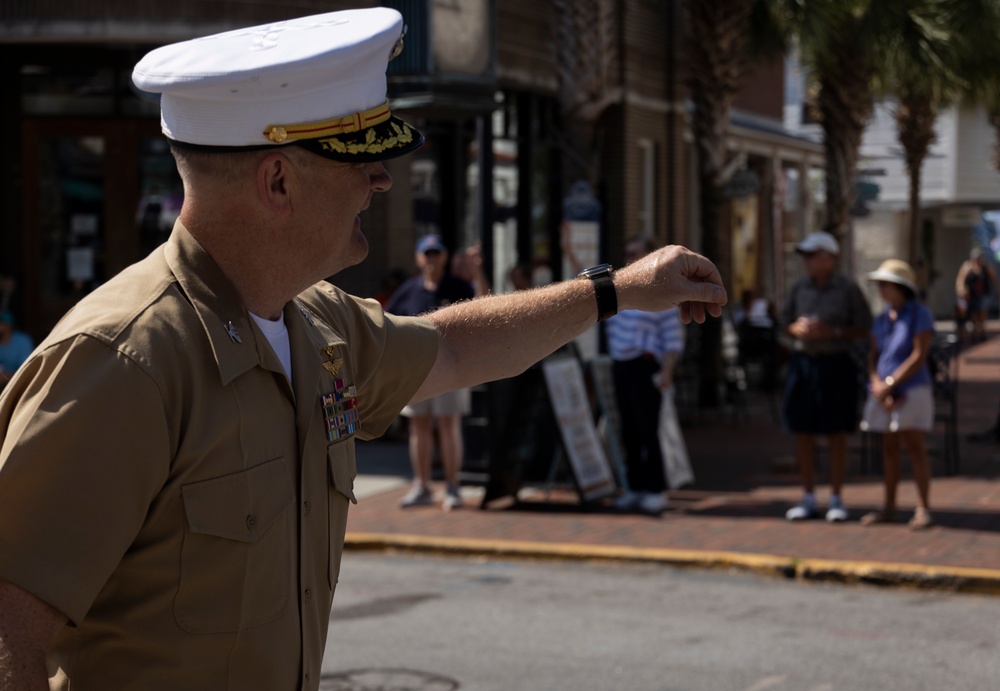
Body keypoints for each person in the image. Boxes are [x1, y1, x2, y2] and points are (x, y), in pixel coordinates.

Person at [0, 9, 727, 690]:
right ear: (277, 179)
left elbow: (452, 349)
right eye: (358, 158)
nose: (380, 179)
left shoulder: (317, 324)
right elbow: (10, 632)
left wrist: (618, 289)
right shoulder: (123, 362)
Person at [780, 231, 872, 522]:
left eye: (812, 255)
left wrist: (832, 332)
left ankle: (836, 497)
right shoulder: (798, 288)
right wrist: (795, 329)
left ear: (829, 258)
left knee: (836, 433)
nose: (806, 261)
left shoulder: (847, 289)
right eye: (805, 256)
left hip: (836, 363)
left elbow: (865, 325)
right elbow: (782, 322)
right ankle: (808, 497)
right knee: (803, 431)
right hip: (803, 363)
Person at [385, 234, 476, 511]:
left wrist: (478, 272)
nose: (432, 259)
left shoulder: (458, 286)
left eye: (436, 253)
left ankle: (452, 487)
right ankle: (422, 486)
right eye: (427, 253)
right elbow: (388, 320)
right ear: (418, 257)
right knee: (419, 426)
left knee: (448, 424)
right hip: (417, 367)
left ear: (444, 257)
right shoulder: (409, 290)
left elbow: (481, 310)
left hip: (451, 367)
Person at [604, 236, 686, 517]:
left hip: (645, 365)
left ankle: (655, 489)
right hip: (621, 364)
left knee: (648, 428)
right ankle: (635, 487)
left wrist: (667, 369)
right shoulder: (620, 288)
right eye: (626, 253)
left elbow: (672, 335)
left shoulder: (660, 292)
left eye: (634, 253)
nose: (628, 259)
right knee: (627, 429)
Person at [859, 260, 936, 529]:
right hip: (883, 392)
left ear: (900, 287)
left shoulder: (919, 314)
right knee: (889, 449)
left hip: (912, 388)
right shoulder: (881, 319)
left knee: (915, 447)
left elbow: (919, 354)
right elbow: (873, 356)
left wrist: (891, 383)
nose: (880, 289)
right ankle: (889, 507)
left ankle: (923, 508)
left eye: (885, 284)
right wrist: (878, 384)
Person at [954, 247, 997, 345]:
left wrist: (996, 291)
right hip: (971, 296)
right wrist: (961, 290)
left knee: (982, 313)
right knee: (973, 315)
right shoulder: (967, 267)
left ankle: (981, 332)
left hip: (983, 295)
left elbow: (993, 279)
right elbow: (960, 280)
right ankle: (975, 333)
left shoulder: (985, 267)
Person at [0, 311, 34, 383]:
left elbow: (27, 371)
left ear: (9, 325)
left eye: (2, 323)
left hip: (17, 385)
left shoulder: (23, 341)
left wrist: (6, 377)